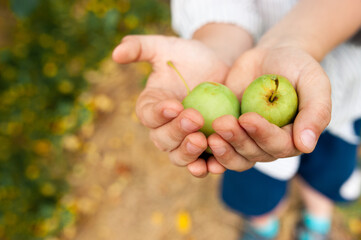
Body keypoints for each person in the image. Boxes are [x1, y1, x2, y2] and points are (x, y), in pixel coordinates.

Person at [112, 0, 361, 239]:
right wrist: (219, 46)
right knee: (255, 190)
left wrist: (297, 42)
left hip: (348, 96)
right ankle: (263, 226)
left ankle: (317, 218)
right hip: (246, 117)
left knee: (329, 171)